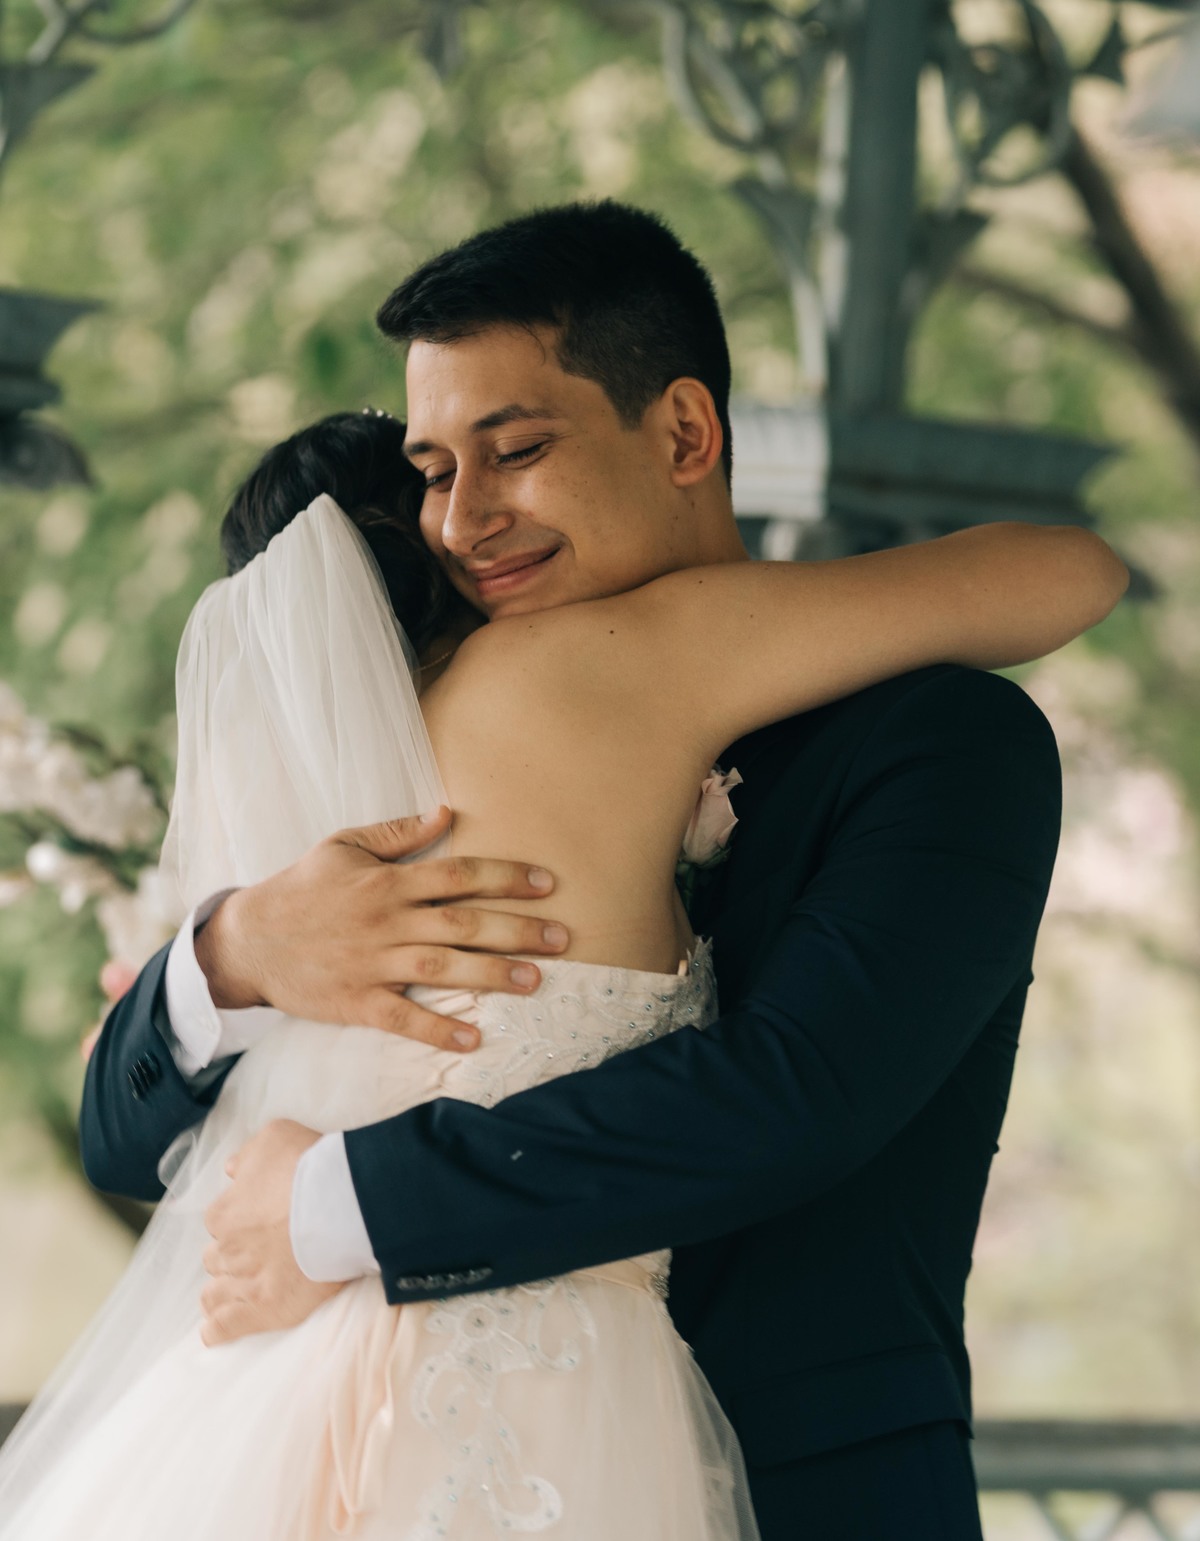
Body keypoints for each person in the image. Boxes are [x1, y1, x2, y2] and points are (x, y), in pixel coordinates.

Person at [68, 203, 1125, 1539]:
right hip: (408, 1462)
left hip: (811, 1492)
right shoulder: (401, 769)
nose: (463, 520)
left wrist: (337, 1204)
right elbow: (125, 1140)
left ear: (684, 434)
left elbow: (798, 1091)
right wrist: (235, 954)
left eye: (516, 452)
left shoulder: (942, 739)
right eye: (433, 469)